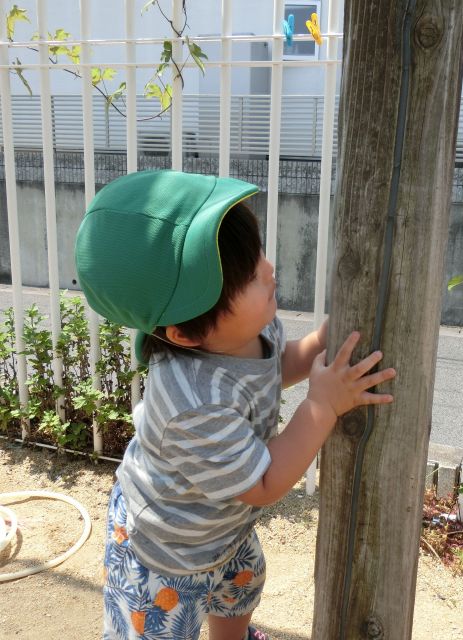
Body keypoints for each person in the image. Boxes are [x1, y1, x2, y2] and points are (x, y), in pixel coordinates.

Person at [74, 170, 396, 640]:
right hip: (163, 553)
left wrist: (326, 338)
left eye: (258, 254)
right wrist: (322, 407)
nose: (268, 270)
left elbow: (274, 367)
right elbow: (264, 483)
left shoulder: (250, 330)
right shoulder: (189, 402)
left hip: (222, 530)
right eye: (247, 276)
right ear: (185, 333)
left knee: (240, 589)